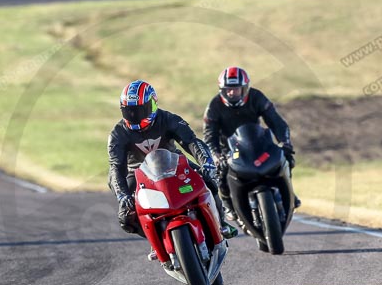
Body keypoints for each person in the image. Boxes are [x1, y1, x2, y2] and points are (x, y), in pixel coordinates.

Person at [108, 80, 238, 261]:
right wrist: (123, 196)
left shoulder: (169, 119)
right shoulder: (117, 133)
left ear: (153, 105)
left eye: (139, 110)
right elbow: (115, 167)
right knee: (126, 216)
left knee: (207, 179)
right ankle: (156, 241)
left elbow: (192, 142)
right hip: (136, 173)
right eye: (128, 111)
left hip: (172, 163)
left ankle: (221, 223)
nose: (134, 116)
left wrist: (207, 163)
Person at [203, 66, 300, 221]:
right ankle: (228, 205)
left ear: (245, 89)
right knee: (219, 171)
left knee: (285, 157)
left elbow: (276, 122)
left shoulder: (257, 97)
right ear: (222, 90)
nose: (232, 93)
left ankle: (289, 192)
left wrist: (285, 143)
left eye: (237, 89)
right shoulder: (214, 106)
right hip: (229, 149)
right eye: (228, 89)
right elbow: (209, 136)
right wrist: (216, 155)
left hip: (258, 143)